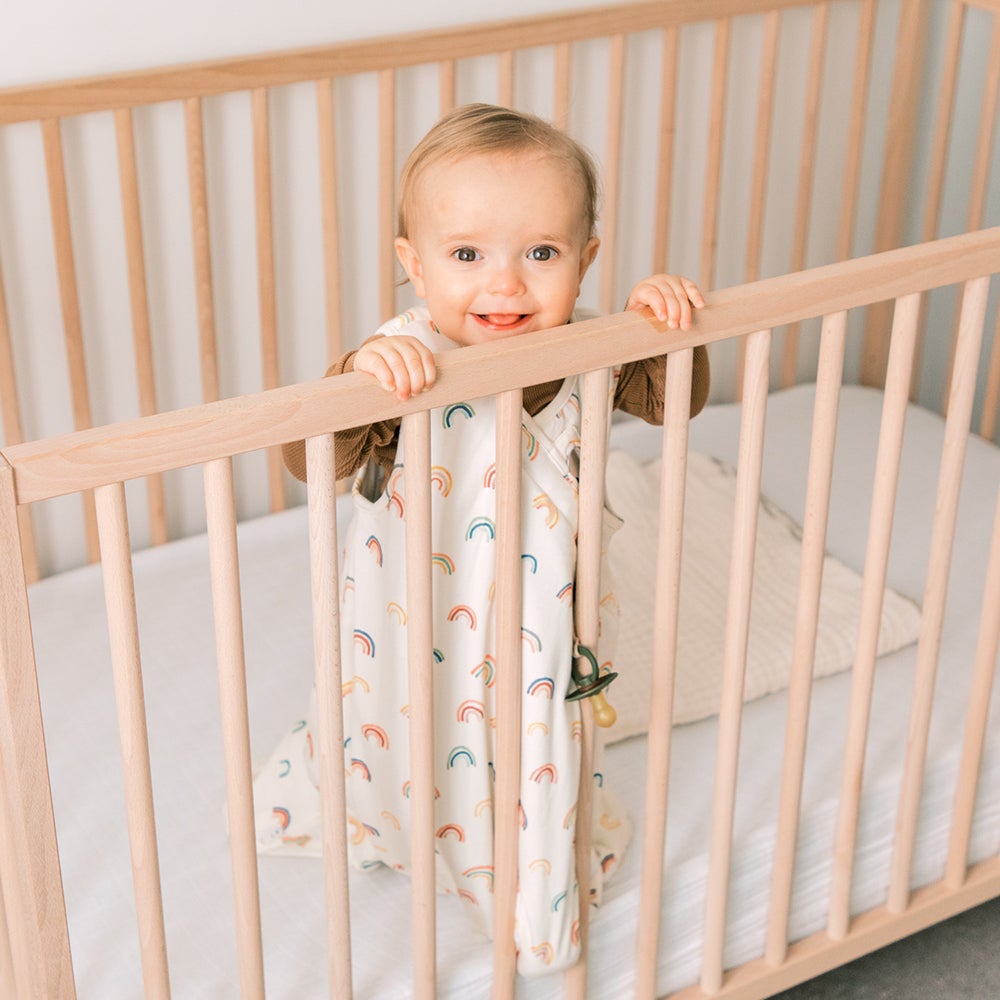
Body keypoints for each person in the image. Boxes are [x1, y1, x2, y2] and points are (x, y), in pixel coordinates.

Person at [253, 103, 709, 976]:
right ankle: (390, 819)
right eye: (467, 255)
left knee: (536, 749)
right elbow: (311, 461)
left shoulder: (588, 345)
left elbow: (672, 400)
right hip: (411, 624)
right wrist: (357, 381)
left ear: (586, 260)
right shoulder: (404, 359)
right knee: (397, 727)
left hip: (542, 631)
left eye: (541, 252)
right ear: (413, 267)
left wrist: (659, 323)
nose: (505, 285)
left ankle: (530, 898)